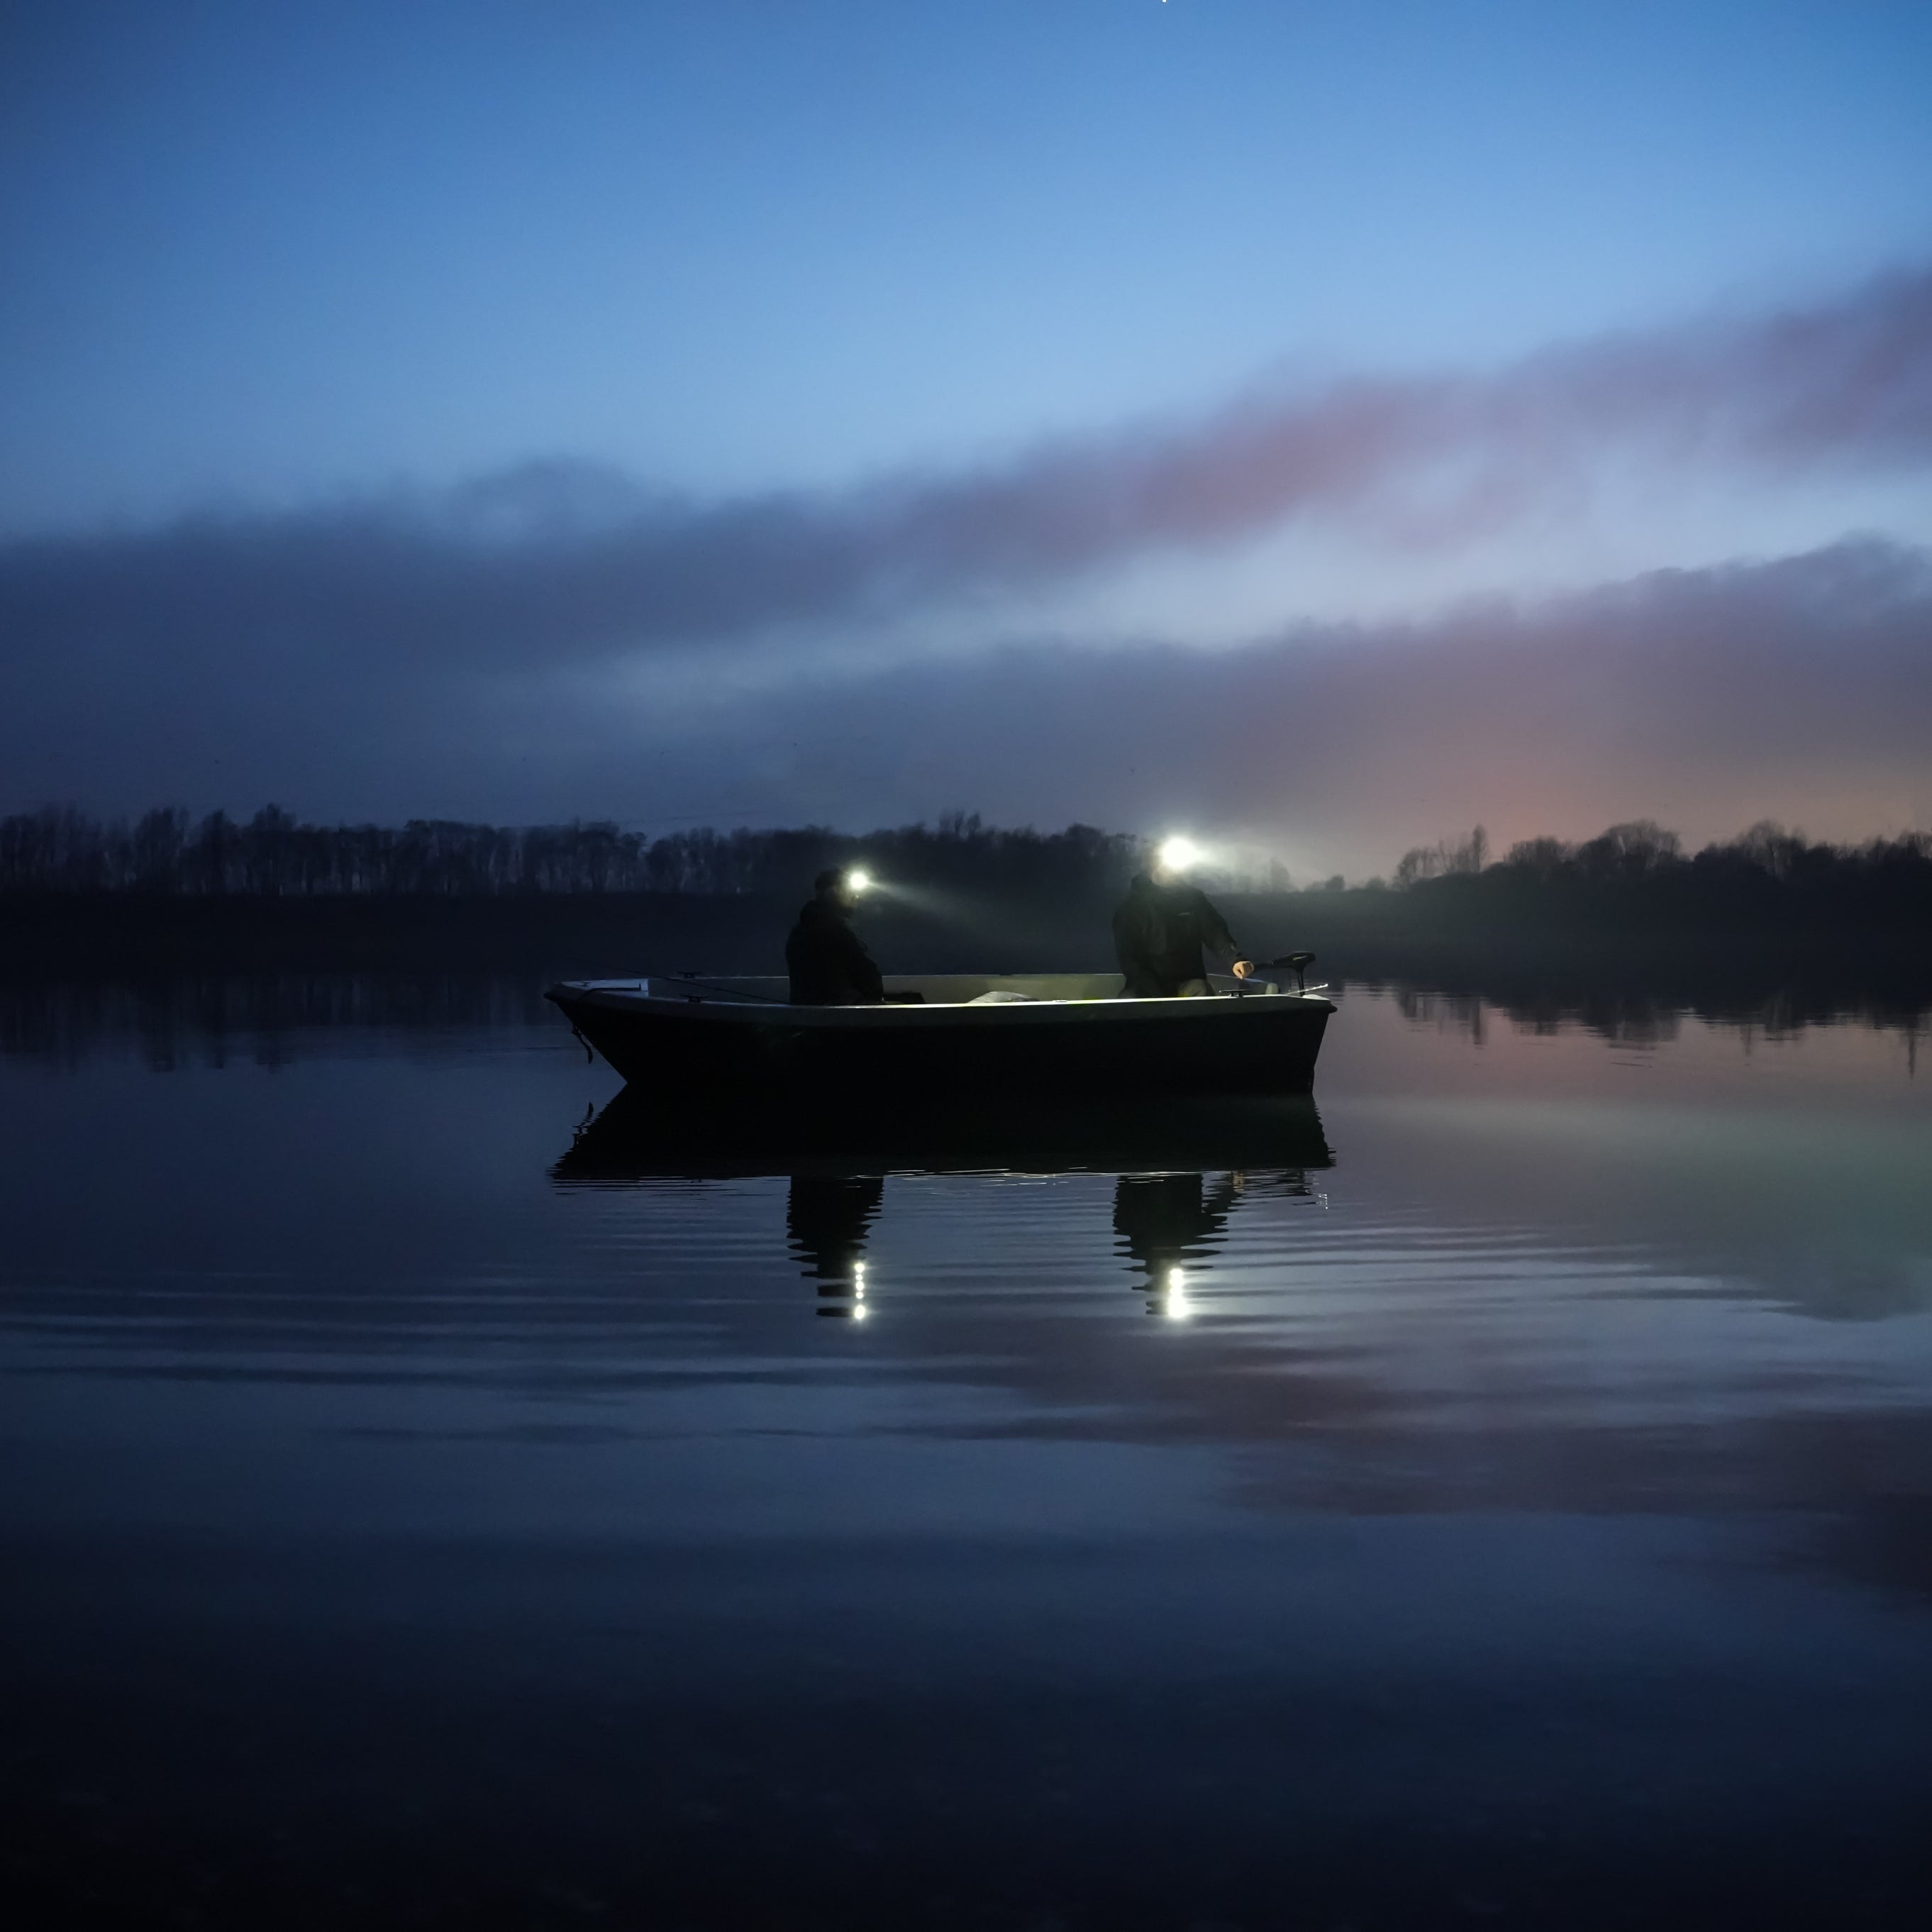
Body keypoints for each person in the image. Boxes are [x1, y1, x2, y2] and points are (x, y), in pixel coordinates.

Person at [1112, 853, 1255, 997]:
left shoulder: (1193, 899)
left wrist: (1235, 959)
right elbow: (1128, 957)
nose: (1173, 871)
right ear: (1152, 867)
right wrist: (1152, 991)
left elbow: (1215, 932)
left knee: (1201, 989)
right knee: (1129, 999)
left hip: (1187, 982)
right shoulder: (1132, 908)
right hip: (1145, 987)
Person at [786, 868, 885, 1005]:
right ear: (833, 891)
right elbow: (869, 981)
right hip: (842, 1015)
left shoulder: (799, 931)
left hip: (806, 1016)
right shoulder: (838, 930)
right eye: (849, 890)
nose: (856, 897)